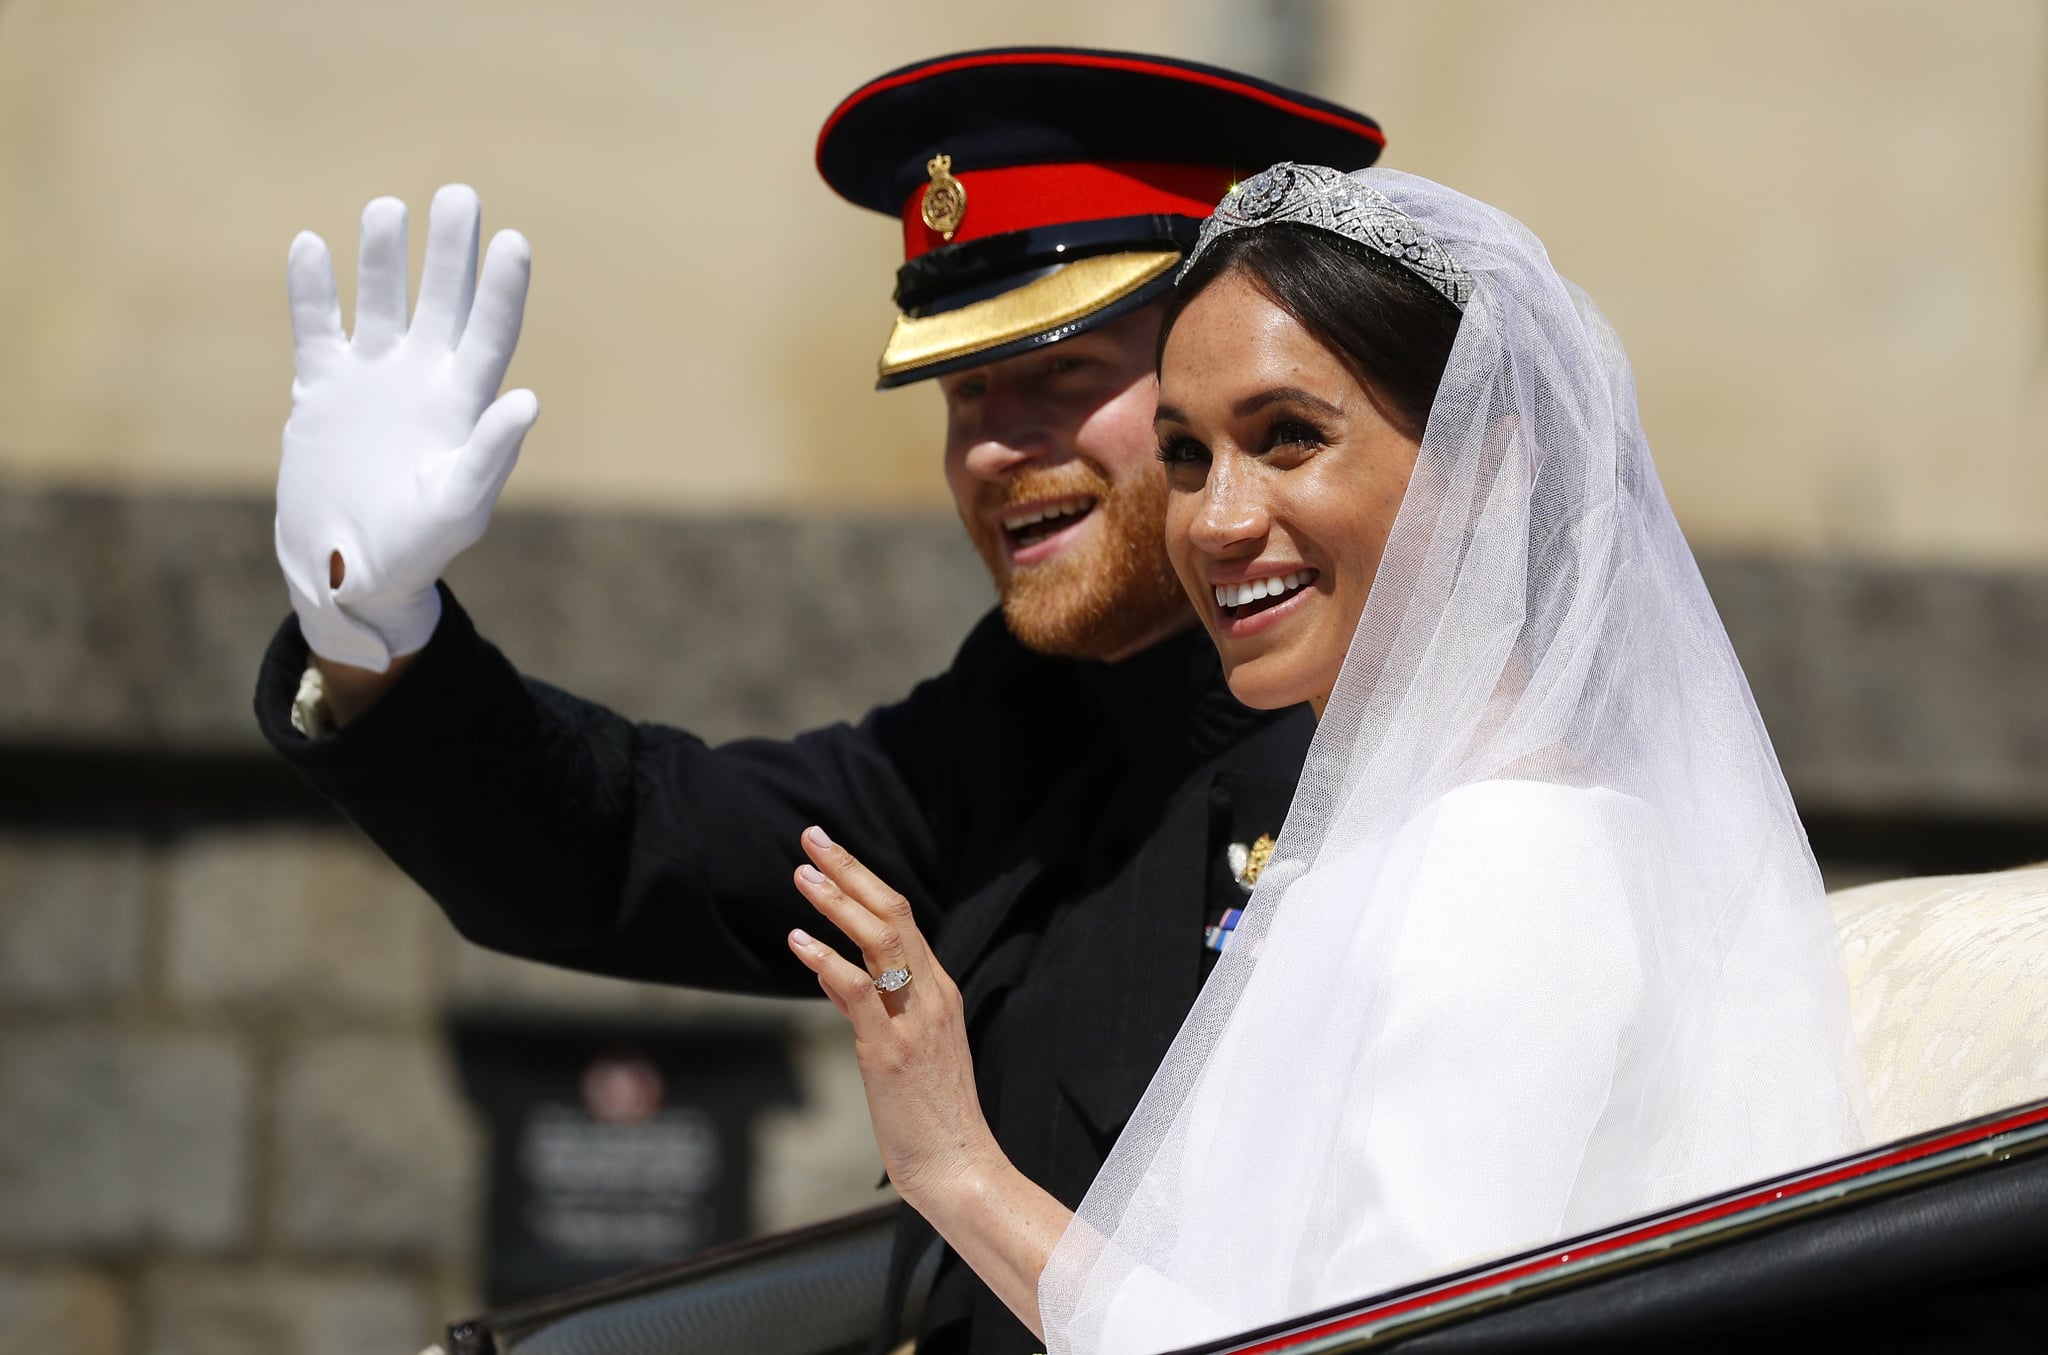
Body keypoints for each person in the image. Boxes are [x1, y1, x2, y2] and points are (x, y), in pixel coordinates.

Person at [254, 49, 1387, 1355]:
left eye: (1061, 373)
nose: (997, 445)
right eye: (963, 392)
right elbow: (640, 838)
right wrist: (375, 630)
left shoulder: (1395, 740)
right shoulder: (1023, 713)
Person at [780, 164, 1871, 1354]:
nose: (1215, 518)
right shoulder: (1388, 828)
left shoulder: (1507, 854)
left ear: (1491, 466)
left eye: (1288, 437)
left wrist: (958, 1166)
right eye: (1187, 455)